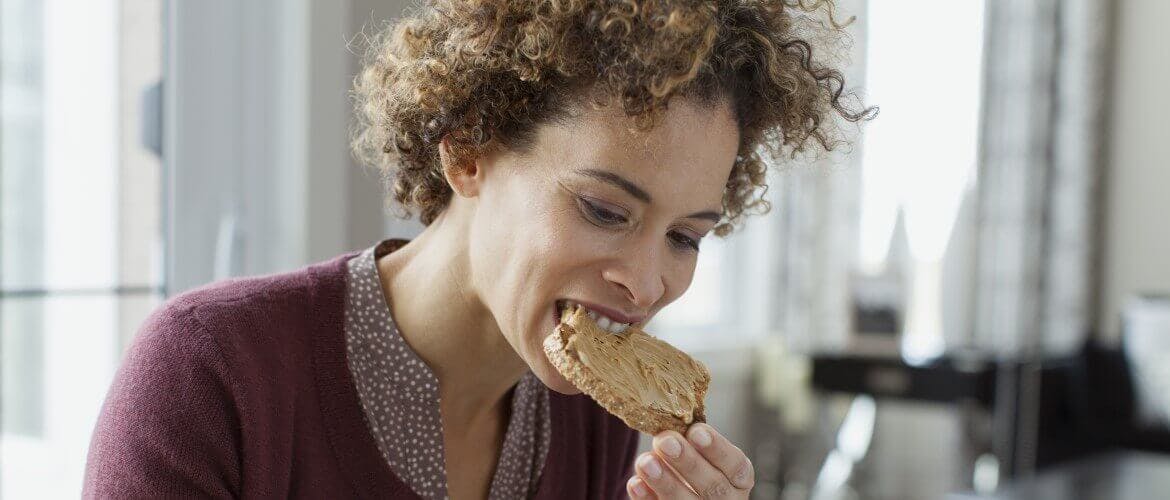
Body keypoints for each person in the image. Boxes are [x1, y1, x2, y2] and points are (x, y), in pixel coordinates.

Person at [83, 0, 872, 498]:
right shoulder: (211, 374)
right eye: (603, 209)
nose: (644, 283)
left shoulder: (594, 427)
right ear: (467, 151)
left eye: (685, 237)